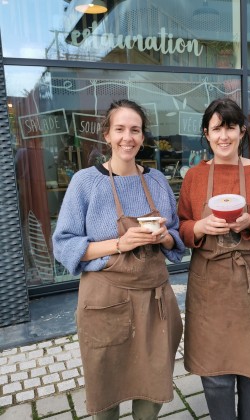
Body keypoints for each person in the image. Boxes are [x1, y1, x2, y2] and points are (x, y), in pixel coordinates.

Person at [52, 99, 185, 420]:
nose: (128, 137)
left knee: (151, 387)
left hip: (155, 300)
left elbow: (177, 238)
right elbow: (63, 245)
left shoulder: (157, 181)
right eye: (120, 129)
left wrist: (164, 237)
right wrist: (120, 243)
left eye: (135, 130)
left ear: (143, 137)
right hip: (105, 299)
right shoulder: (86, 182)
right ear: (107, 135)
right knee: (107, 388)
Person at [177, 98, 250, 419]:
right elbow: (181, 225)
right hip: (209, 282)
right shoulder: (194, 177)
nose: (223, 136)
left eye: (230, 127)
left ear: (242, 131)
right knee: (215, 372)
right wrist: (199, 225)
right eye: (216, 129)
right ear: (206, 135)